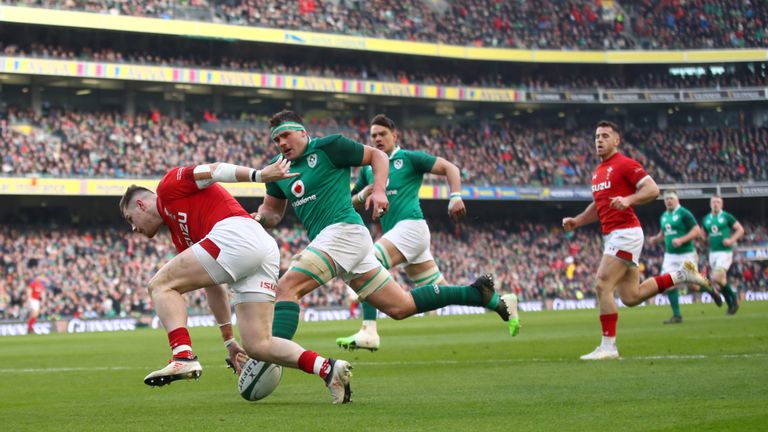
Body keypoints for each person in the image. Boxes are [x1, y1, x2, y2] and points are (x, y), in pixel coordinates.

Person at [253, 110, 519, 365]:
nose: (281, 143)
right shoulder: (277, 171)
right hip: (340, 241)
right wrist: (259, 217)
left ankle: (271, 361)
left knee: (286, 288)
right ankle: (479, 294)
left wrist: (380, 191)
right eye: (276, 139)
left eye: (286, 135)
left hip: (344, 232)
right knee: (400, 307)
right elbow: (273, 214)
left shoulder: (330, 146)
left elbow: (378, 156)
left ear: (302, 132)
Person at [120, 157, 354, 404]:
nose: (133, 228)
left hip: (236, 235)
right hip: (259, 248)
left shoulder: (168, 187)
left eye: (129, 219)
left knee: (159, 285)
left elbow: (214, 170)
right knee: (257, 346)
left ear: (140, 205)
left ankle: (182, 355)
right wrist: (229, 341)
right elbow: (213, 287)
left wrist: (259, 175)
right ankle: (328, 369)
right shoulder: (180, 237)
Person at [562, 120, 710, 360]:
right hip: (614, 235)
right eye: (597, 136)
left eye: (605, 136)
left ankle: (609, 347)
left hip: (626, 233)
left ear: (616, 140)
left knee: (602, 284)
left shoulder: (625, 164)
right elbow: (598, 205)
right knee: (631, 296)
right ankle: (682, 275)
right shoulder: (598, 172)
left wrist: (629, 200)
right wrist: (577, 221)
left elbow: (652, 189)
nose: (599, 140)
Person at [335, 114, 468, 351]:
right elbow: (350, 202)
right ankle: (495, 300)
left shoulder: (409, 159)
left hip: (411, 227)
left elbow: (450, 167)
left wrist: (455, 195)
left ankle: (369, 331)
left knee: (368, 261)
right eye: (373, 135)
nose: (377, 138)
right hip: (405, 235)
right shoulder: (369, 170)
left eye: (382, 134)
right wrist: (365, 194)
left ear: (395, 136)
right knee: (443, 290)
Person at [648, 190, 721, 324]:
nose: (668, 201)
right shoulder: (664, 215)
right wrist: (655, 239)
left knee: (694, 286)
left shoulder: (684, 213)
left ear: (677, 200)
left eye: (671, 198)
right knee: (668, 284)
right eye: (666, 199)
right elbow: (663, 233)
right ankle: (677, 315)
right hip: (670, 256)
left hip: (686, 254)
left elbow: (697, 231)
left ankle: (711, 289)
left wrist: (681, 240)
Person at [701, 195, 745, 315]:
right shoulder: (706, 219)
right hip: (712, 253)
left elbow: (740, 229)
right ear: (710, 204)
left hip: (725, 252)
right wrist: (702, 240)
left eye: (718, 202)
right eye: (713, 202)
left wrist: (731, 240)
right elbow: (704, 236)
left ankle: (734, 298)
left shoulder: (726, 216)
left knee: (716, 277)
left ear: (722, 204)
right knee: (721, 281)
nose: (715, 204)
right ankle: (731, 305)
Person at [26, 259, 45, 335]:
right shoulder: (33, 284)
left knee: (35, 315)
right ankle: (30, 328)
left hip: (37, 300)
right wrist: (29, 300)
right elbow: (29, 292)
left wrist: (43, 301)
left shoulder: (41, 285)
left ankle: (30, 327)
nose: (41, 278)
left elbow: (42, 293)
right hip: (33, 299)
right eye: (40, 277)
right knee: (34, 314)